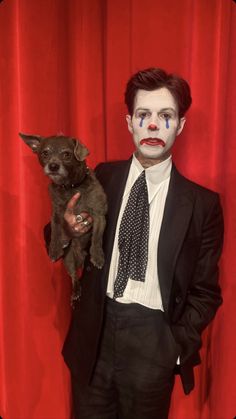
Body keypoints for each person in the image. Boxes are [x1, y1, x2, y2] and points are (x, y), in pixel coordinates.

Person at [58, 68, 224, 418]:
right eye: (143, 115)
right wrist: (69, 231)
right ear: (129, 122)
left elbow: (206, 292)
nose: (152, 125)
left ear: (180, 125)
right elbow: (57, 239)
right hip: (96, 334)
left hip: (154, 341)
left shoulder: (202, 205)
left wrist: (175, 348)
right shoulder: (101, 176)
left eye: (165, 116)